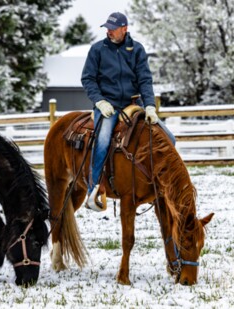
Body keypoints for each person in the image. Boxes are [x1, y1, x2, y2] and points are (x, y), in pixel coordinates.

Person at [81, 12, 176, 212]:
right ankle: (94, 189)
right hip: (108, 106)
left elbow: (144, 80)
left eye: (113, 28)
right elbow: (88, 78)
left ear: (124, 28)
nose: (109, 32)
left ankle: (159, 184)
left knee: (169, 138)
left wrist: (149, 105)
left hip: (134, 104)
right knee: (104, 139)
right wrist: (99, 101)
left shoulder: (137, 50)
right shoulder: (97, 50)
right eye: (107, 28)